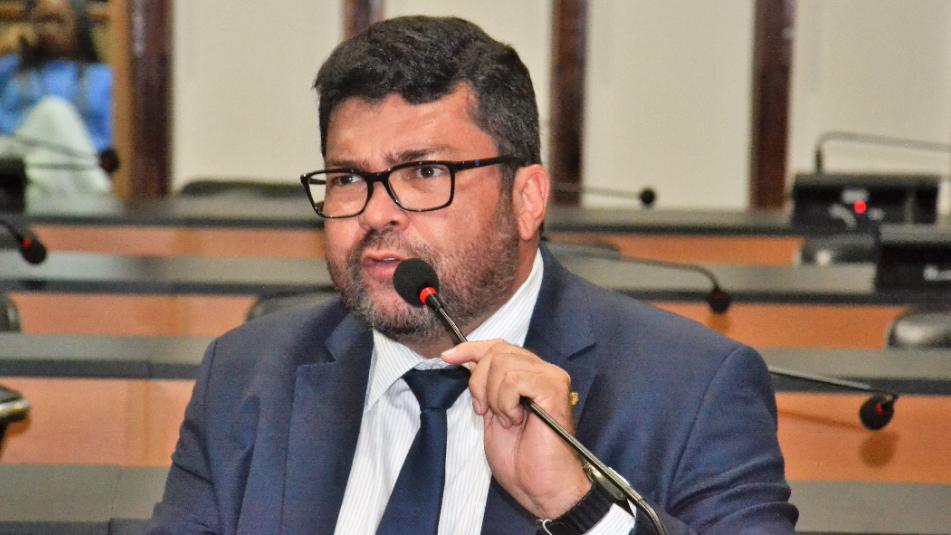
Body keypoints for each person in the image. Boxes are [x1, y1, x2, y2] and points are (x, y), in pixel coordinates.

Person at [148, 16, 798, 534]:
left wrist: (577, 507)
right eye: (347, 178)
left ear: (527, 199)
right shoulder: (245, 376)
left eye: (425, 172)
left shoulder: (690, 389)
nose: (375, 213)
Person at [0, 0, 111, 198]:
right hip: (13, 153)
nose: (49, 29)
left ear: (78, 25)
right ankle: (100, 196)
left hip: (61, 168)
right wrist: (4, 50)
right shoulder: (11, 67)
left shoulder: (103, 77)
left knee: (48, 169)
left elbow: (107, 141)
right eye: (42, 21)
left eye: (58, 21)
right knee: (53, 110)